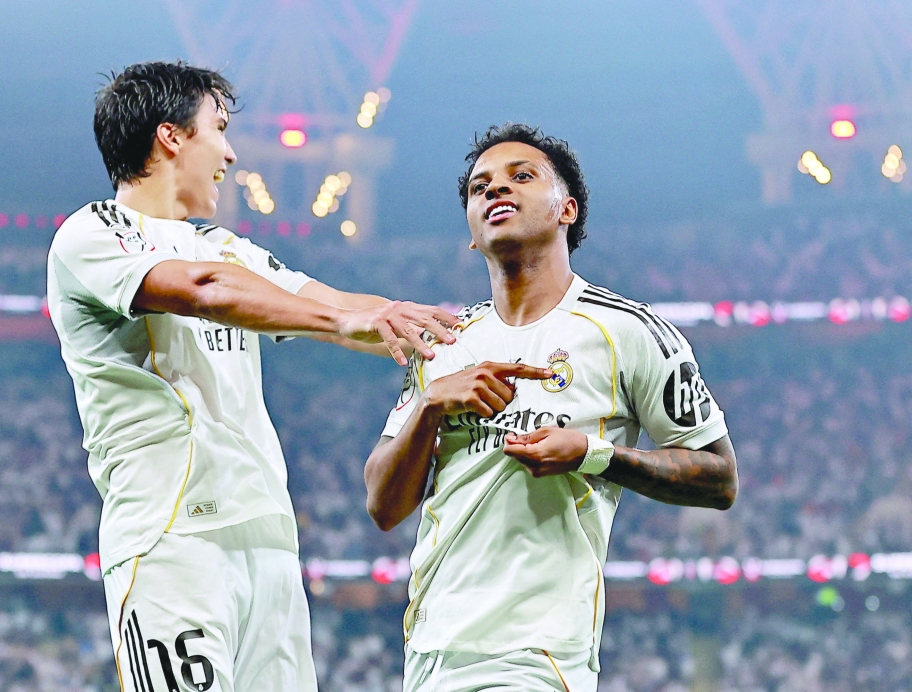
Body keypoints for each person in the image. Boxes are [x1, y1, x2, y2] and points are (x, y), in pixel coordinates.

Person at [46, 61, 457, 692]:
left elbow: (342, 307)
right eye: (219, 128)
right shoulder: (92, 233)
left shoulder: (226, 247)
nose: (232, 153)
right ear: (170, 136)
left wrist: (466, 339)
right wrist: (343, 321)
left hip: (267, 540)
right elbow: (205, 291)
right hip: (172, 539)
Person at [365, 123, 738, 691]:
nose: (495, 189)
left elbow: (719, 477)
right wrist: (431, 407)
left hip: (537, 653)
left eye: (521, 177)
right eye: (479, 187)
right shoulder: (442, 343)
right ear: (471, 233)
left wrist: (593, 454)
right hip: (430, 647)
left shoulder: (627, 331)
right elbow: (383, 505)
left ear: (567, 209)